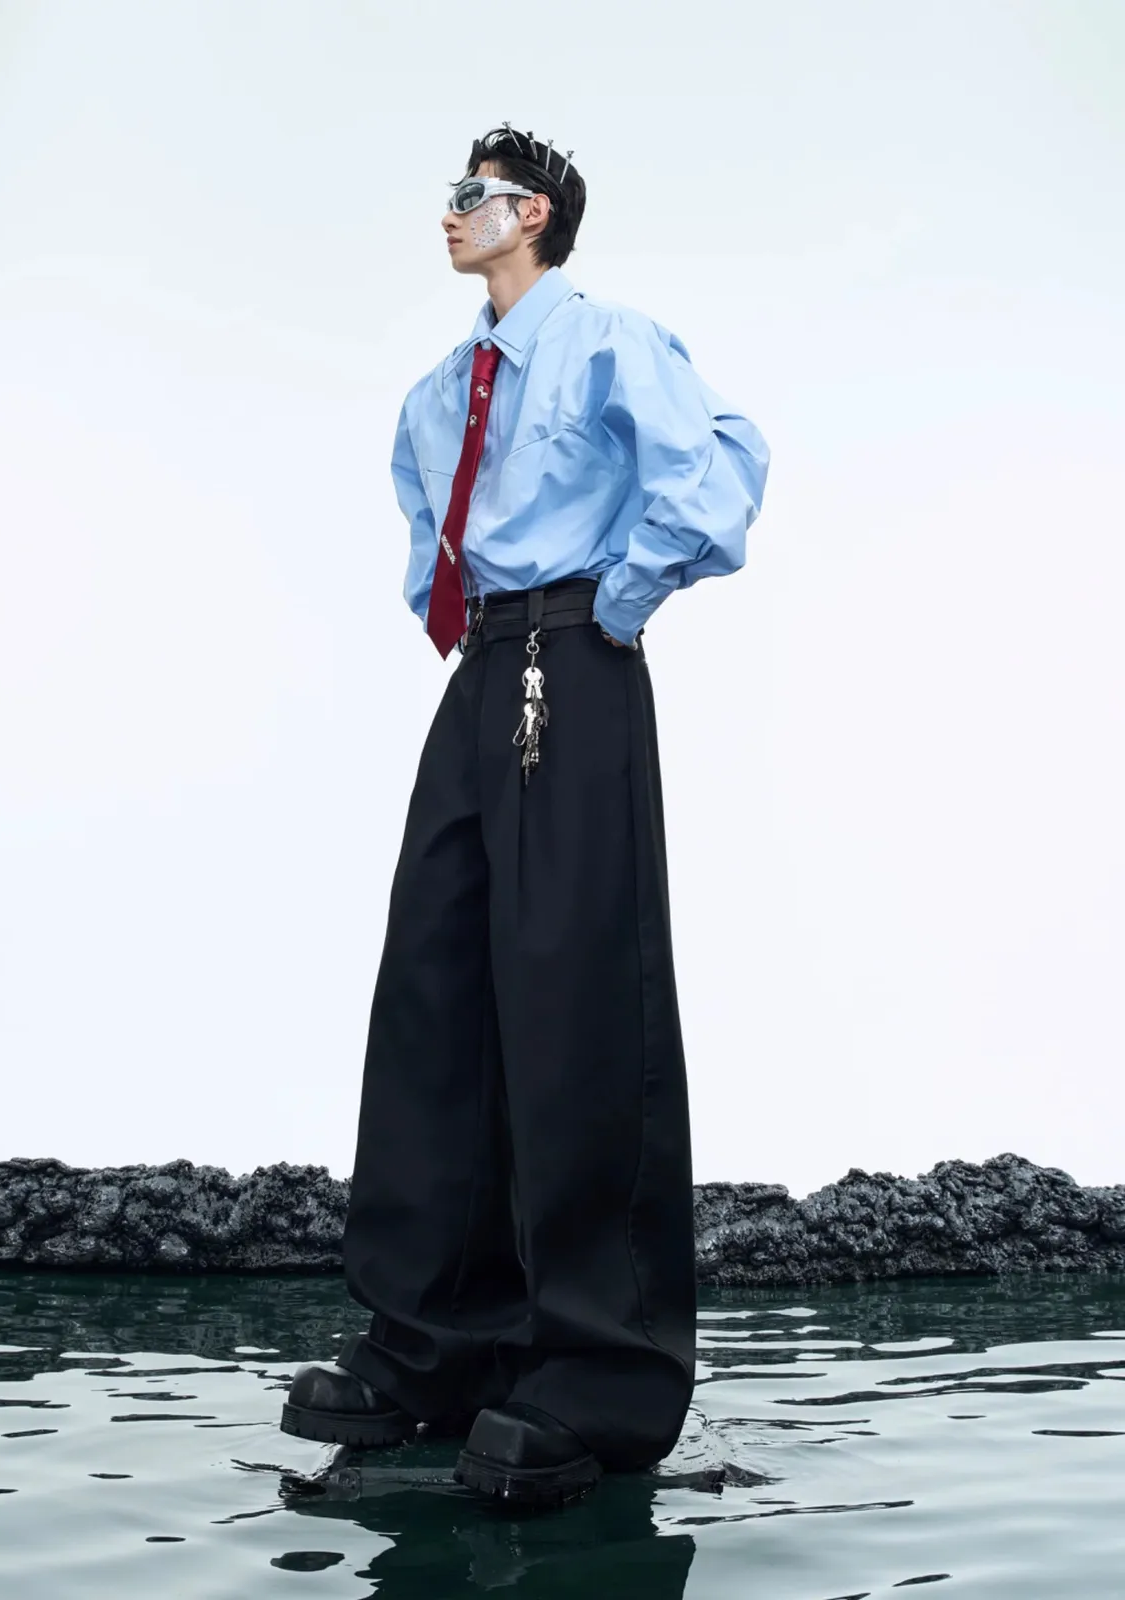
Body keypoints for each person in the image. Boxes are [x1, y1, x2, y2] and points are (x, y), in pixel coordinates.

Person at [281, 121, 770, 1509]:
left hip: (579, 662)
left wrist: (618, 603)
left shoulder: (608, 339)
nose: (450, 215)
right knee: (436, 991)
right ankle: (436, 1343)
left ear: (535, 212)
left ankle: (600, 1374)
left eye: (473, 196)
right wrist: (471, 626)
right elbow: (427, 527)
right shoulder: (443, 389)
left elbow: (723, 461)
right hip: (487, 668)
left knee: (575, 1000)